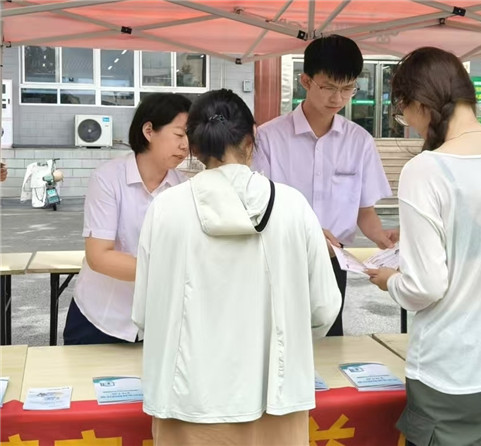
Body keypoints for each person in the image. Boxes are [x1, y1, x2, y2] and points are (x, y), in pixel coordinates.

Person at [132, 89, 341, 446]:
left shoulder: (166, 209)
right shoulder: (293, 207)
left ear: (194, 147)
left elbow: (143, 314)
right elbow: (323, 309)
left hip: (186, 404)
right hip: (276, 402)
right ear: (252, 137)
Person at [367, 47, 481, 446]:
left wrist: (390, 280)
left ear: (420, 103)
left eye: (404, 114)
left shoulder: (426, 170)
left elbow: (425, 286)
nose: (410, 126)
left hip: (451, 382)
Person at [253, 35, 397, 336]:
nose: (338, 98)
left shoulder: (359, 141)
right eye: (329, 87)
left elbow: (364, 211)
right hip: (280, 259)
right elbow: (258, 206)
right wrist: (306, 231)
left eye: (347, 89)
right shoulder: (268, 138)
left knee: (329, 343)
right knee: (275, 339)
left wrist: (383, 238)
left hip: (333, 264)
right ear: (305, 81)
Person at [63, 93, 191, 345]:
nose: (186, 145)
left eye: (190, 136)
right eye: (179, 134)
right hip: (100, 318)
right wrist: (168, 271)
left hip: (157, 321)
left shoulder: (183, 187)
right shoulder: (108, 179)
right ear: (149, 131)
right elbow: (99, 256)